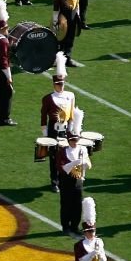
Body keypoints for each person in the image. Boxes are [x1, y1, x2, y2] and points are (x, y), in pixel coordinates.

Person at [40, 53, 76, 191]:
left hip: (66, 129)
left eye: (61, 84)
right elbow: (43, 116)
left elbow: (71, 113)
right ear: (54, 84)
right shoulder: (48, 98)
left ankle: (65, 179)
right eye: (57, 84)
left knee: (68, 154)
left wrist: (72, 129)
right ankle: (54, 182)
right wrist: (45, 134)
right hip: (53, 130)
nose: (60, 87)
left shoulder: (70, 95)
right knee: (54, 157)